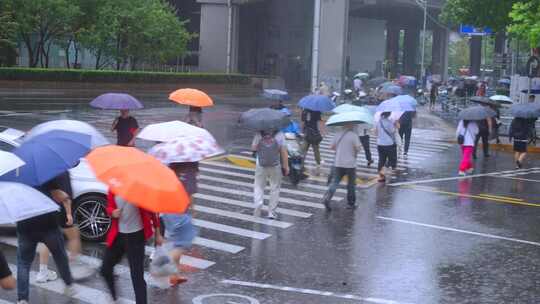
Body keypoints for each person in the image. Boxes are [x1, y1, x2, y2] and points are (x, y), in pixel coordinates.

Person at [16, 173, 75, 303]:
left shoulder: (17, 176)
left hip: (25, 226)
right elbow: (62, 196)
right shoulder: (47, 174)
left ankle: (22, 299)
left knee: (23, 263)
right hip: (48, 225)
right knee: (60, 257)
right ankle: (69, 285)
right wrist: (67, 208)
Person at [100, 192, 162, 304]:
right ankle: (114, 297)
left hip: (136, 237)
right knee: (105, 269)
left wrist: (158, 234)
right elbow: (109, 207)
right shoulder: (114, 187)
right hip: (118, 236)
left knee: (137, 277)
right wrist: (112, 212)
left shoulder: (142, 190)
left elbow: (154, 212)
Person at [34, 171, 93, 283]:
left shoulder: (42, 170)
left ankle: (42, 272)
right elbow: (65, 195)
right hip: (61, 209)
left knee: (46, 240)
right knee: (74, 236)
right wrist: (69, 213)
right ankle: (72, 267)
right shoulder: (61, 172)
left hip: (45, 208)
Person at [161, 162, 199, 286]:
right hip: (180, 212)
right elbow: (190, 194)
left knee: (177, 242)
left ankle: (174, 276)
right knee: (183, 242)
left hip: (168, 211)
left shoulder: (170, 168)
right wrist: (193, 209)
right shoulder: (190, 172)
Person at [322, 123, 361, 211]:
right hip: (350, 164)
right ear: (350, 125)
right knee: (351, 184)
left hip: (338, 162)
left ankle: (327, 198)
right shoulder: (354, 135)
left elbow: (332, 147)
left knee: (335, 182)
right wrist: (353, 151)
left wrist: (340, 150)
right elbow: (358, 149)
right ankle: (351, 204)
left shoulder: (337, 134)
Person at [251, 130, 289, 219]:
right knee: (275, 187)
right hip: (275, 165)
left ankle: (258, 204)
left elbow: (253, 148)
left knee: (259, 185)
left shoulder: (259, 133)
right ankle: (271, 212)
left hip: (261, 164)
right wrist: (286, 166)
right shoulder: (279, 134)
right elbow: (283, 152)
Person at [375, 112, 398, 182]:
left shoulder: (378, 122)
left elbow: (376, 132)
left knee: (381, 160)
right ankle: (384, 169)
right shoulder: (389, 122)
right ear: (389, 114)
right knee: (392, 159)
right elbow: (393, 131)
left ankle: (381, 177)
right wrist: (395, 126)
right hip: (389, 144)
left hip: (380, 144)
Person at [301, 109, 325, 175]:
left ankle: (302, 164)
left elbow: (303, 123)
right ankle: (318, 163)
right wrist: (322, 133)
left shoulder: (305, 112)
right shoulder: (316, 111)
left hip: (310, 133)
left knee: (305, 150)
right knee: (314, 150)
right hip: (313, 134)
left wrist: (302, 132)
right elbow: (319, 122)